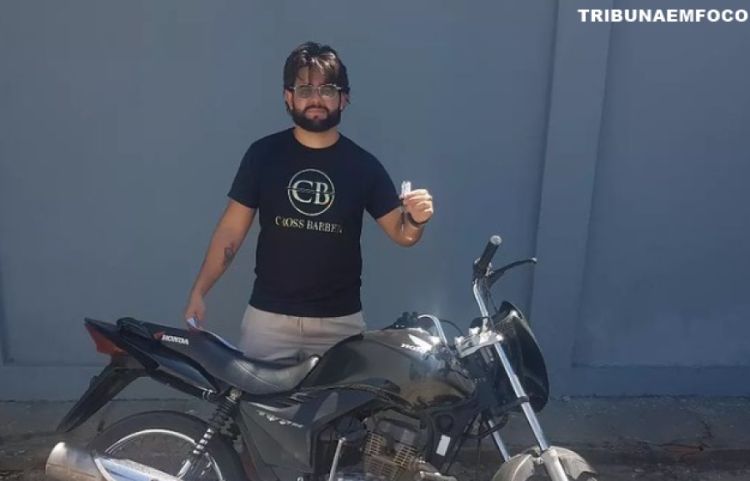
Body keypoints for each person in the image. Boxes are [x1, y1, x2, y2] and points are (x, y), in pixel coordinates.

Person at [184, 41, 434, 365]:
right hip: (268, 322)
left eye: (327, 89)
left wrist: (416, 219)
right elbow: (231, 232)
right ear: (288, 97)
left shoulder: (363, 166)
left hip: (340, 325)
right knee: (255, 400)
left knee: (345, 402)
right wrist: (199, 291)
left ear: (344, 98)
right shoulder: (263, 155)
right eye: (304, 89)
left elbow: (402, 234)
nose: (316, 99)